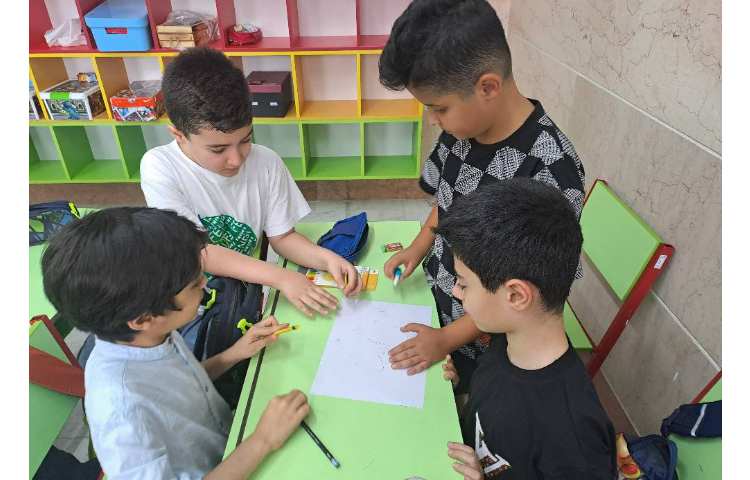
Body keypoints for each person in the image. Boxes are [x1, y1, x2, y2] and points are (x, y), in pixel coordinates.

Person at [379, 0, 586, 392]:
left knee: (454, 405)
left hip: (485, 344)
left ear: (488, 86)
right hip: (435, 300)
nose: (433, 119)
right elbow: (447, 201)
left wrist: (447, 339)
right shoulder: (460, 131)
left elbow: (520, 298)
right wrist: (418, 248)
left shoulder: (548, 171)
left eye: (439, 108)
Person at [42, 207, 310, 479]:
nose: (205, 283)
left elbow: (178, 385)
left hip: (227, 448)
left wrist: (234, 353)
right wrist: (263, 440)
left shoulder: (147, 336)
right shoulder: (121, 412)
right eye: (194, 284)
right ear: (143, 318)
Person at [435, 179, 615, 479]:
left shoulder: (573, 438)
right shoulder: (506, 339)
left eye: (464, 283)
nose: (456, 291)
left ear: (516, 295)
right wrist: (458, 386)